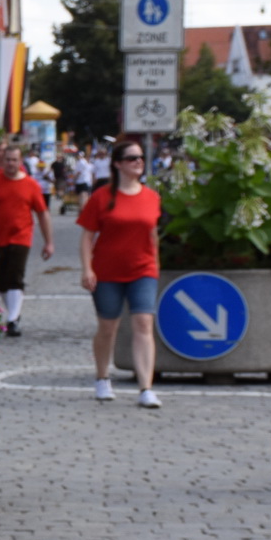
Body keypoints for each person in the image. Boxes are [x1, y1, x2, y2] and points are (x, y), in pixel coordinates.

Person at [79, 141, 162, 409]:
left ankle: (145, 387)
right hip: (107, 271)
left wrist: (155, 266)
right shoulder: (101, 197)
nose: (138, 161)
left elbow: (153, 234)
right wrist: (87, 268)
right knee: (107, 327)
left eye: (140, 157)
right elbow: (87, 236)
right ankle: (102, 377)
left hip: (143, 269)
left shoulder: (152, 197)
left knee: (143, 324)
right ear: (118, 164)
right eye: (131, 158)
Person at [0, 145, 53, 337]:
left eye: (15, 160)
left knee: (15, 276)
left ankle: (12, 319)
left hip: (21, 237)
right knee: (0, 280)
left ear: (20, 162)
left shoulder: (31, 185)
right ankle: (14, 313)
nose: (11, 164)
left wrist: (49, 241)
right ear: (1, 161)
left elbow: (42, 214)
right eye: (8, 160)